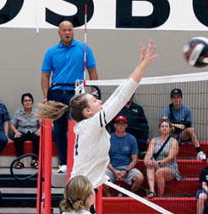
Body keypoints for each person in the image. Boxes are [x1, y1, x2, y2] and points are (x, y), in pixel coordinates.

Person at [37, 42, 158, 188]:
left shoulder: (90, 122)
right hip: (80, 192)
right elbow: (121, 98)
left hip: (82, 189)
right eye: (94, 100)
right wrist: (143, 68)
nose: (100, 100)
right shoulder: (91, 125)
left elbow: (118, 93)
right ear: (87, 111)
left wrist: (139, 67)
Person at [41, 19, 99, 174]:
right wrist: (46, 97)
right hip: (57, 92)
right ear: (59, 32)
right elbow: (45, 75)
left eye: (70, 30)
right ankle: (64, 163)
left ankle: (79, 160)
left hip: (76, 93)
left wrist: (95, 92)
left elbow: (92, 71)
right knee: (59, 129)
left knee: (79, 128)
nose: (67, 33)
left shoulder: (84, 49)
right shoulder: (51, 52)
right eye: (64, 30)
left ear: (73, 31)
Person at [162, 88, 206, 159]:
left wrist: (176, 125)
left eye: (178, 97)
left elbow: (187, 125)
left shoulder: (186, 109)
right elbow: (164, 120)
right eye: (174, 97)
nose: (176, 99)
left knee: (191, 130)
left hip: (181, 135)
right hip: (171, 134)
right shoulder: (168, 109)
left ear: (181, 98)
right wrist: (176, 125)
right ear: (171, 99)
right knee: (166, 127)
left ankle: (199, 152)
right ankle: (164, 151)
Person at [104, 115, 143, 191]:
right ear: (115, 125)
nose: (121, 126)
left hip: (127, 168)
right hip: (112, 168)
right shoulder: (108, 138)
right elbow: (106, 159)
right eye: (118, 123)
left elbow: (134, 159)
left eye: (123, 124)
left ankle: (130, 195)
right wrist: (115, 172)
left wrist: (126, 171)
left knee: (140, 177)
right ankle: (110, 197)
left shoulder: (131, 139)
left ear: (126, 125)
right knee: (100, 178)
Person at [144, 119, 180, 198]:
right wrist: (147, 161)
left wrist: (158, 163)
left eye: (166, 126)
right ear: (159, 129)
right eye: (162, 126)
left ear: (170, 129)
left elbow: (170, 157)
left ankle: (160, 196)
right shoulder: (154, 140)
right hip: (156, 165)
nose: (164, 128)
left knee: (159, 172)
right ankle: (152, 191)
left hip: (169, 167)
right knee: (150, 166)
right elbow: (149, 153)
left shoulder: (174, 141)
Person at [10, 92, 40, 157]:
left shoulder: (37, 112)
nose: (28, 102)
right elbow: (12, 124)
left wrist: (39, 130)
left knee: (38, 138)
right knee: (18, 138)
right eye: (25, 101)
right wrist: (16, 132)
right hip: (22, 131)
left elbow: (42, 123)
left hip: (33, 132)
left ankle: (34, 159)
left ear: (32, 102)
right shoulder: (18, 112)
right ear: (22, 103)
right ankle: (20, 160)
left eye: (29, 100)